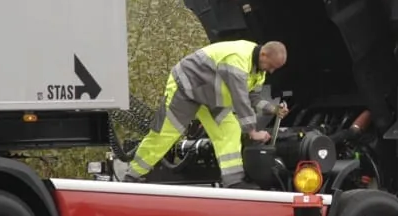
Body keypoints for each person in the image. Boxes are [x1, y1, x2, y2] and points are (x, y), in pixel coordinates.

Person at [123, 40, 290, 188]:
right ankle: (132, 176)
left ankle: (233, 181)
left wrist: (273, 109)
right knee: (166, 134)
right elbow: (240, 99)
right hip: (187, 88)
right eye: (272, 65)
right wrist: (252, 132)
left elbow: (252, 96)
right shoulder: (238, 59)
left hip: (211, 97)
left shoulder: (258, 71)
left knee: (229, 130)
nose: (272, 71)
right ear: (263, 54)